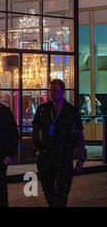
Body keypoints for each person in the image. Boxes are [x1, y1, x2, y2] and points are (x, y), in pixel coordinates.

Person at [33, 79, 86, 207]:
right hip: (46, 156)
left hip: (64, 155)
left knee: (62, 191)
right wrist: (37, 150)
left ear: (62, 92)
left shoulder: (71, 111)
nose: (52, 93)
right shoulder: (43, 110)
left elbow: (79, 134)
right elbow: (35, 131)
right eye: (50, 90)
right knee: (48, 190)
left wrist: (81, 157)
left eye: (55, 90)